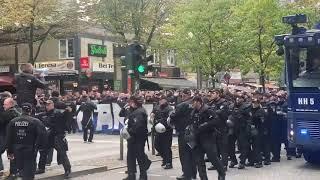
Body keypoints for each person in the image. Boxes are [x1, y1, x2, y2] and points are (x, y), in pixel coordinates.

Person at [5, 103, 46, 180]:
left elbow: (9, 137)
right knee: (29, 172)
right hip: (30, 149)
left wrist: (9, 151)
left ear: (21, 110)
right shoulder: (35, 121)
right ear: (30, 111)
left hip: (17, 149)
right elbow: (42, 135)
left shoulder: (13, 121)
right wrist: (40, 148)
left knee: (21, 170)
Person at [189, 96, 226, 180]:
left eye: (193, 102)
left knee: (212, 157)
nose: (192, 104)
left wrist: (205, 125)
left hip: (208, 137)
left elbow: (216, 121)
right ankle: (203, 177)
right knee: (199, 160)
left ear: (198, 102)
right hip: (197, 138)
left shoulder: (207, 110)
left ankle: (221, 173)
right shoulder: (193, 112)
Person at [169, 89, 197, 180]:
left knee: (184, 154)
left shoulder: (182, 105)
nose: (182, 97)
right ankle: (193, 173)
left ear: (185, 95)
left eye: (182, 96)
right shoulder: (195, 103)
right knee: (192, 153)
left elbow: (173, 115)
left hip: (183, 131)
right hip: (193, 131)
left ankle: (186, 174)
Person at [39, 100, 72, 178]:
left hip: (57, 136)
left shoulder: (57, 113)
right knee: (43, 151)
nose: (47, 106)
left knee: (62, 153)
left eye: (48, 105)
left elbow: (63, 122)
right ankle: (41, 168)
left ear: (52, 105)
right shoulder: (45, 114)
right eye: (46, 105)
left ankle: (68, 170)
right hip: (49, 136)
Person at [122, 95, 151, 180]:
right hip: (134, 138)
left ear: (135, 102)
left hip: (137, 138)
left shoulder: (139, 112)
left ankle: (143, 176)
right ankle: (131, 175)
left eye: (131, 102)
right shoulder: (136, 110)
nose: (130, 104)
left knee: (139, 157)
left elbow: (137, 126)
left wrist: (129, 131)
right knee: (131, 157)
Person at [0, 98, 21, 178]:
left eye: (5, 104)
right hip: (16, 137)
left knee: (11, 154)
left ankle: (12, 172)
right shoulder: (18, 112)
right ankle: (15, 172)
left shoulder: (6, 114)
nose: (3, 106)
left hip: (7, 137)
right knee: (13, 154)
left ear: (10, 104)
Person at [152, 95, 174, 169]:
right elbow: (153, 113)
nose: (160, 101)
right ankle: (164, 158)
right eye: (159, 100)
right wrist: (152, 116)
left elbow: (169, 119)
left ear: (165, 100)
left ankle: (169, 162)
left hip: (167, 130)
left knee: (166, 147)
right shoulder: (157, 107)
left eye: (162, 100)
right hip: (158, 129)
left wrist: (160, 121)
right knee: (156, 145)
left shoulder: (169, 108)